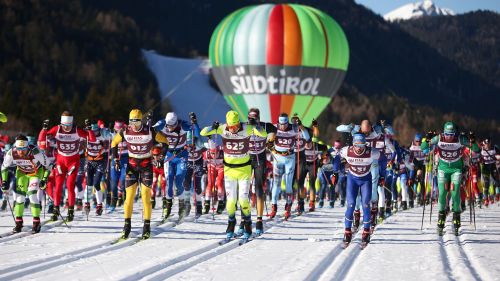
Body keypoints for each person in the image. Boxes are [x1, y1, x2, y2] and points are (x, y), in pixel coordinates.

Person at [200, 110, 267, 241]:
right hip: (229, 170)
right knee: (230, 203)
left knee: (243, 200)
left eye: (235, 126)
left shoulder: (247, 128)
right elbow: (203, 132)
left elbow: (263, 134)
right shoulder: (223, 128)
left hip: (244, 170)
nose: (233, 129)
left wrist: (255, 126)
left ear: (239, 123)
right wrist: (212, 127)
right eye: (231, 126)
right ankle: (231, 224)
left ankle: (247, 225)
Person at [38, 111, 96, 222]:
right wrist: (44, 129)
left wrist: (89, 129)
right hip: (60, 161)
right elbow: (42, 140)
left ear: (72, 123)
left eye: (69, 126)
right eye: (64, 125)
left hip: (73, 161)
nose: (66, 128)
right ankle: (55, 211)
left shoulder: (77, 130)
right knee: (59, 186)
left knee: (70, 185)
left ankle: (70, 211)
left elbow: (92, 139)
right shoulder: (57, 129)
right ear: (61, 124)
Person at [111, 109, 154, 239]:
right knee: (128, 197)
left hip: (146, 167)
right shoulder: (125, 131)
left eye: (136, 122)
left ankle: (146, 227)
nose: (133, 125)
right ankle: (127, 226)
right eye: (131, 121)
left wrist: (161, 155)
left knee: (146, 196)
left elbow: (165, 142)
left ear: (141, 121)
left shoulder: (149, 131)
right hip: (132, 167)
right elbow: (114, 142)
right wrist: (115, 158)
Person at [153, 112, 200, 221]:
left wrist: (194, 122)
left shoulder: (183, 125)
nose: (170, 128)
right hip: (169, 155)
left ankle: (181, 204)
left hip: (181, 156)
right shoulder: (162, 124)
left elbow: (197, 133)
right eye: (168, 126)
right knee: (169, 181)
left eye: (173, 126)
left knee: (179, 181)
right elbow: (150, 130)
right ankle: (167, 207)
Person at [1, 135, 52, 233]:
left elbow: (49, 166)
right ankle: (18, 223)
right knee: (19, 198)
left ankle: (36, 223)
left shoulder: (36, 152)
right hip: (22, 173)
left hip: (36, 173)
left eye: (23, 149)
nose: (20, 152)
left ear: (27, 147)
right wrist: (4, 181)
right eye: (19, 149)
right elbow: (4, 167)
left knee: (32, 195)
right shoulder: (11, 152)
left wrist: (44, 180)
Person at [421, 122, 465, 236]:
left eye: (451, 134)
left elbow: (476, 149)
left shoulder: (460, 139)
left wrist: (472, 141)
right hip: (443, 170)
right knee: (442, 193)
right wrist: (427, 139)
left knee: (455, 193)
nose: (449, 137)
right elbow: (423, 147)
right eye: (447, 134)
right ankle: (441, 218)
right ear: (443, 132)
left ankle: (456, 216)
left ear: (455, 133)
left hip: (456, 169)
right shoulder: (439, 138)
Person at [340, 133, 380, 246]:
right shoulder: (347, 150)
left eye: (361, 145)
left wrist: (381, 175)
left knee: (366, 205)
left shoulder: (372, 152)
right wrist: (336, 170)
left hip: (365, 179)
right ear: (353, 144)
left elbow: (382, 160)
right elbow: (337, 158)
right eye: (356, 145)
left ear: (365, 145)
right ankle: (347, 231)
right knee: (351, 204)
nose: (359, 148)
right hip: (352, 179)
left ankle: (366, 232)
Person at [268, 113, 310, 219]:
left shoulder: (294, 128)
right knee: (276, 184)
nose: (282, 126)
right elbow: (263, 134)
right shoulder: (274, 127)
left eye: (285, 124)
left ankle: (288, 208)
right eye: (281, 124)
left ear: (288, 122)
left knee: (288, 184)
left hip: (290, 158)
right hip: (277, 158)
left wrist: (301, 126)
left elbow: (307, 137)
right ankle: (274, 208)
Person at [246, 108, 275, 235]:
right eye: (250, 117)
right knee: (244, 189)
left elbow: (274, 130)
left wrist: (271, 141)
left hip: (260, 159)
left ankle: (259, 220)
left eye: (255, 117)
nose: (253, 120)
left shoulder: (264, 125)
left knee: (259, 189)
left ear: (259, 117)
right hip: (247, 158)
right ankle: (244, 220)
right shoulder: (244, 126)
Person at [84, 121, 112, 216]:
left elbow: (112, 138)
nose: (95, 133)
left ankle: (99, 205)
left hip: (101, 161)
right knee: (89, 183)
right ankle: (86, 202)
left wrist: (108, 141)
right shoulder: (87, 136)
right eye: (93, 131)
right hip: (90, 161)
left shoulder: (103, 134)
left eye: (96, 131)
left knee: (96, 183)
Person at [109, 121, 128, 211]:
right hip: (115, 158)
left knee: (123, 179)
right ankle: (113, 201)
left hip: (125, 157)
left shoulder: (126, 134)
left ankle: (122, 193)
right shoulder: (112, 134)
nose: (117, 131)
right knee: (113, 182)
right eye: (116, 130)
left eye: (119, 130)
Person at [203, 138, 225, 214]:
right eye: (212, 153)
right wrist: (204, 168)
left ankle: (220, 203)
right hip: (211, 167)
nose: (213, 155)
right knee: (210, 183)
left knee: (219, 183)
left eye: (215, 153)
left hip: (221, 167)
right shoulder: (206, 153)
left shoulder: (223, 152)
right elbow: (203, 160)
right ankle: (207, 203)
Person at [480, 137, 498, 206]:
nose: (487, 145)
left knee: (496, 181)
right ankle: (486, 199)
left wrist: (497, 157)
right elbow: (478, 156)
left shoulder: (494, 148)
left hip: (492, 166)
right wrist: (479, 160)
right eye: (486, 144)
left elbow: (498, 155)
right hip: (485, 167)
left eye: (488, 144)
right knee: (486, 184)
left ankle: (497, 195)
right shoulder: (481, 149)